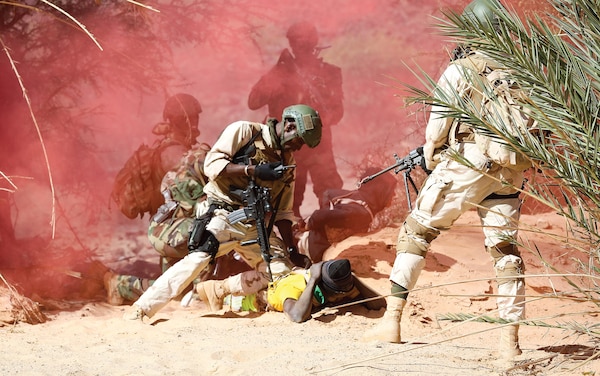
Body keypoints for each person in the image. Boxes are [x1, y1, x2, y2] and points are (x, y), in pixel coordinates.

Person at [363, 0, 527, 359]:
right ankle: (509, 341)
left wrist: (433, 155)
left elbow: (437, 128)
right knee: (505, 251)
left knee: (417, 232)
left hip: (469, 164)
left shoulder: (462, 70)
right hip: (510, 171)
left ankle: (391, 321)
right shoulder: (520, 72)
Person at [123, 104, 323, 321]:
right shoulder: (244, 132)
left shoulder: (287, 163)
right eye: (298, 140)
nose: (298, 147)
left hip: (254, 227)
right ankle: (141, 309)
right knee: (197, 260)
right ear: (289, 126)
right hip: (222, 214)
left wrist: (292, 249)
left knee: (281, 272)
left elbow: (284, 213)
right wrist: (253, 170)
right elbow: (212, 165)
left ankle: (221, 289)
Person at [248, 22, 344, 219]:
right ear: (292, 44)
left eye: (304, 42)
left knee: (330, 198)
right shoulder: (280, 74)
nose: (302, 46)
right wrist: (277, 71)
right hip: (290, 148)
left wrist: (317, 122)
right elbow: (253, 101)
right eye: (298, 42)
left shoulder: (329, 73)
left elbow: (338, 112)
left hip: (318, 146)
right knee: (288, 205)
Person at [297, 167, 397, 262]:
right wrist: (309, 224)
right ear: (380, 192)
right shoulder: (361, 213)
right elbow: (320, 216)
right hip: (311, 250)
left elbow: (328, 193)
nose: (394, 195)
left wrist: (328, 209)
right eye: (390, 191)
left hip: (309, 242)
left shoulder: (357, 197)